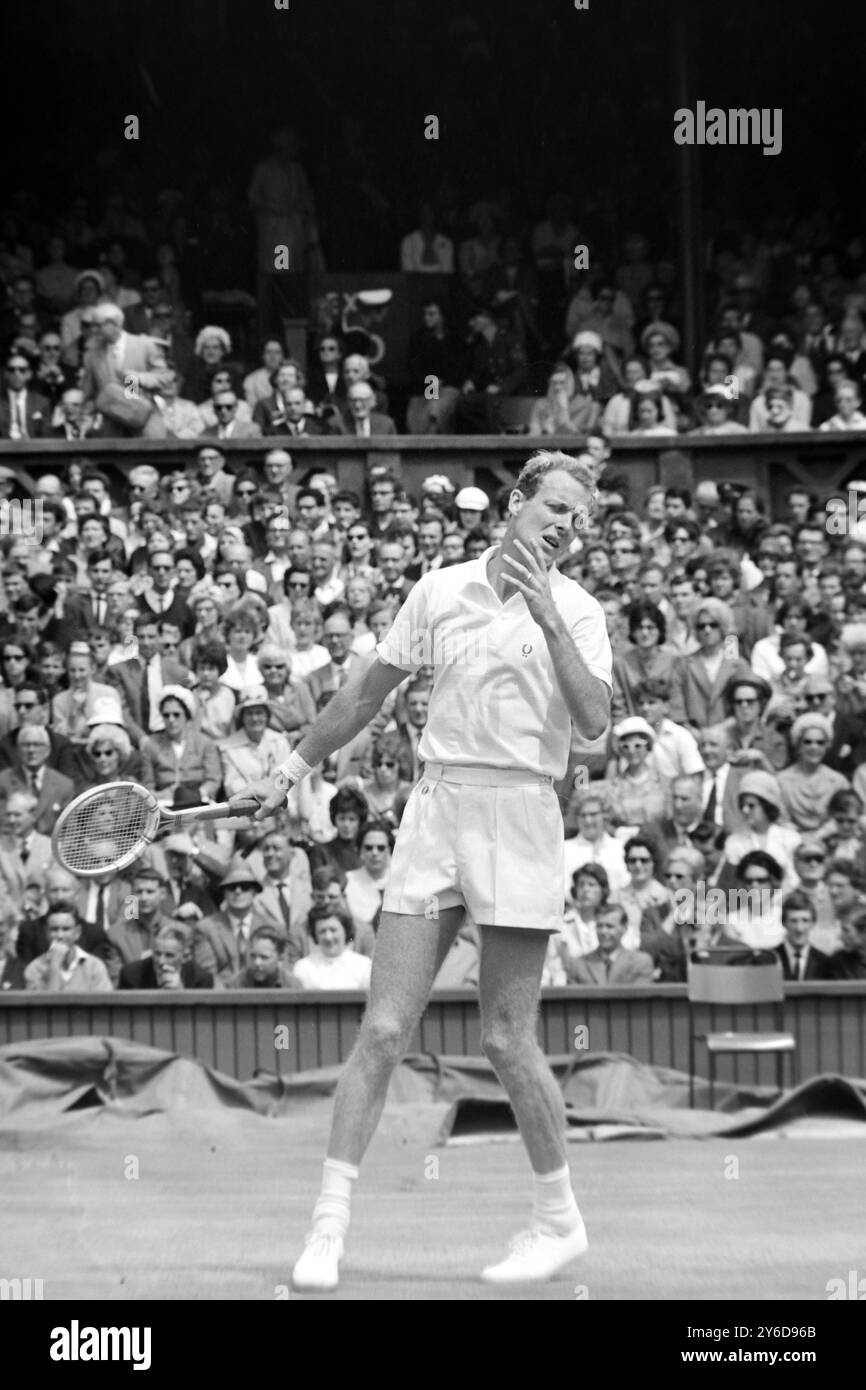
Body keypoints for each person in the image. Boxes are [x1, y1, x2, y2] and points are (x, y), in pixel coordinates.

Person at [230, 449, 611, 1290]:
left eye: (577, 521)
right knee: (383, 1030)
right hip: (436, 810)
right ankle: (327, 1229)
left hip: (522, 816)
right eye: (551, 508)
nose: (563, 526)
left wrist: (547, 616)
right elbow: (363, 696)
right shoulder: (438, 591)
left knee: (508, 1038)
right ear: (515, 504)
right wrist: (288, 773)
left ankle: (559, 1224)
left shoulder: (579, 613)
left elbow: (595, 728)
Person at [25, 905, 112, 992]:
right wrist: (54, 966)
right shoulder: (35, 969)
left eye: (66, 929)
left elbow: (105, 1004)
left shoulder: (95, 966)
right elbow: (46, 1004)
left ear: (77, 932)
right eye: (54, 929)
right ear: (46, 932)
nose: (60, 936)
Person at [291, 904, 373, 991]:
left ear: (345, 931)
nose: (328, 937)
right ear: (315, 935)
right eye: (322, 931)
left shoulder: (364, 966)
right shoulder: (303, 967)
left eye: (333, 930)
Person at [569, 903, 654, 985]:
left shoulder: (640, 962)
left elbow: (639, 996)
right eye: (599, 926)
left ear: (624, 928)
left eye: (610, 926)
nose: (603, 931)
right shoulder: (578, 964)